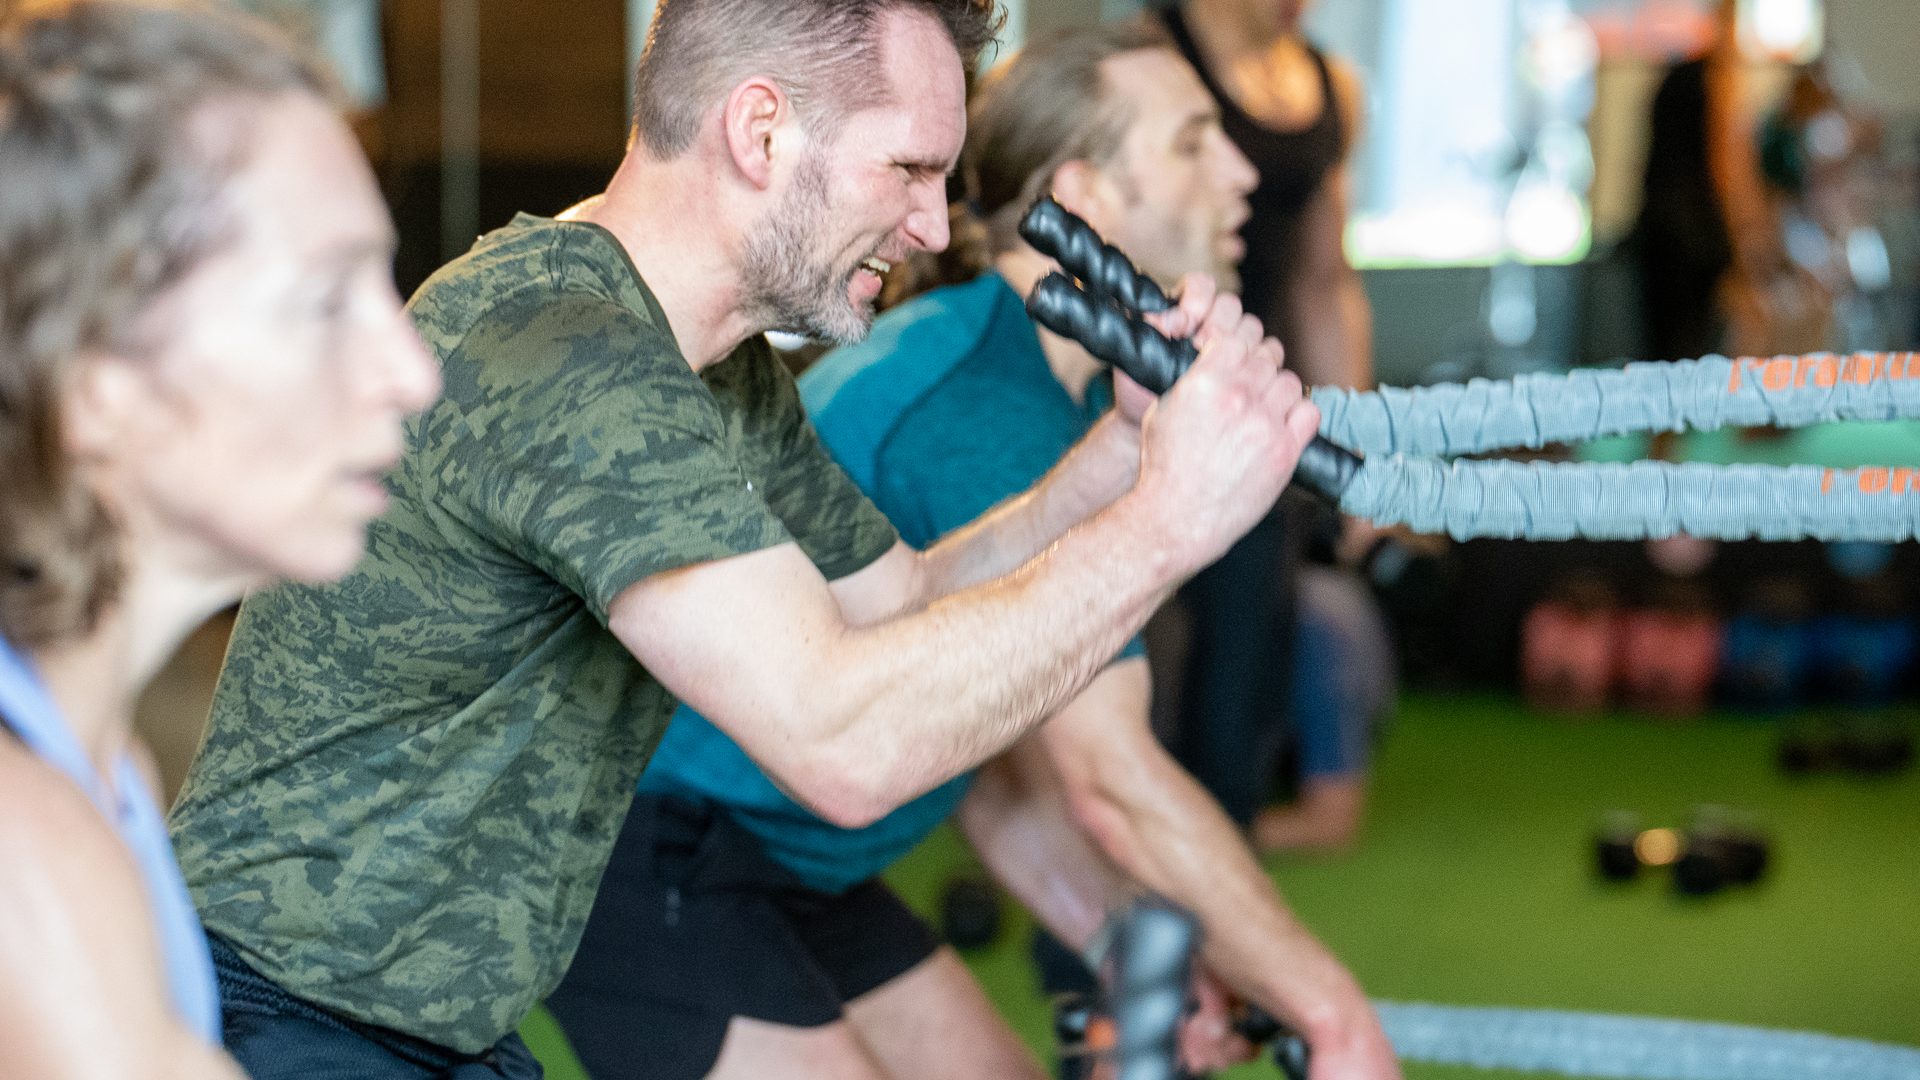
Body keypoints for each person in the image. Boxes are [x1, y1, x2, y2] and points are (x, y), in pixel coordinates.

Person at [167, 0, 1322, 1075]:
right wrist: (1170, 528)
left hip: (441, 1028)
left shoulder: (710, 366)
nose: (933, 221)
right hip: (284, 1014)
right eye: (908, 168)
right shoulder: (567, 349)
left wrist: (1119, 465)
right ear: (760, 132)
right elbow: (846, 746)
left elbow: (897, 604)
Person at [546, 22, 1399, 1080]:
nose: (1239, 173)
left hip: (792, 863)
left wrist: (1125, 950)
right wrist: (1334, 1019)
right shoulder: (978, 403)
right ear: (1080, 195)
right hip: (654, 854)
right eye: (1190, 143)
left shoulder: (1055, 395)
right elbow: (1108, 782)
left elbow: (998, 774)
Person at [0, 2, 440, 1077]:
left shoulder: (98, 764)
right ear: (97, 384)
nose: (411, 371)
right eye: (325, 299)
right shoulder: (30, 863)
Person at [1153, 0, 1380, 851]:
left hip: (1266, 417)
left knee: (1241, 676)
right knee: (1146, 670)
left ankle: (1218, 893)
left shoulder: (1330, 87)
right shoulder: (1155, 56)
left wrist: (1356, 450)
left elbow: (1326, 283)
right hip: (1150, 405)